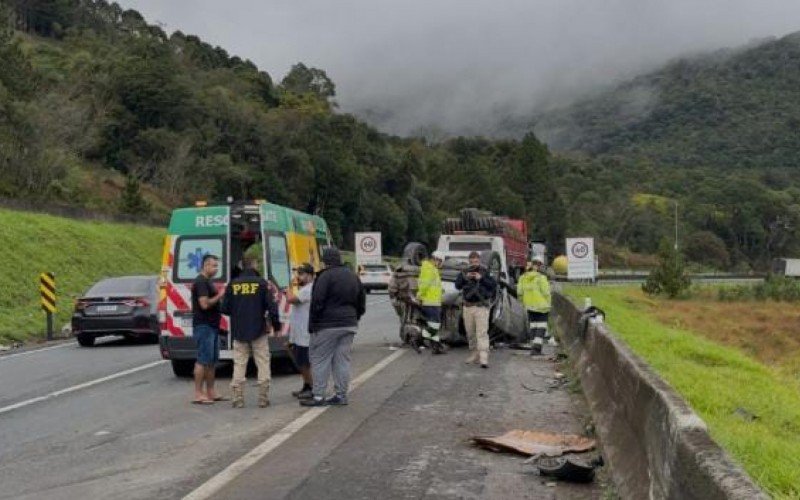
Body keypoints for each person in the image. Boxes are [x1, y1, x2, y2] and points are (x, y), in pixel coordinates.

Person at [301, 247, 366, 407]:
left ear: (325, 261)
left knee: (319, 359)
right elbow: (361, 301)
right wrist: (354, 317)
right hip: (349, 324)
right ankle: (341, 395)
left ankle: (318, 396)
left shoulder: (325, 276)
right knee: (342, 360)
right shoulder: (352, 276)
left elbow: (317, 302)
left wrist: (313, 324)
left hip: (326, 325)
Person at [220, 254, 281, 408]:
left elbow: (225, 308)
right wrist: (276, 326)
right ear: (254, 265)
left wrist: (239, 312)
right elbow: (272, 308)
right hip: (258, 330)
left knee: (239, 364)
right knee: (263, 362)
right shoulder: (262, 284)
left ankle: (238, 398)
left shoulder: (233, 284)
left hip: (239, 330)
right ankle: (263, 397)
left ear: (242, 266)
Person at [191, 254, 225, 405]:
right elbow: (204, 304)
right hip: (204, 326)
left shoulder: (208, 282)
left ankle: (211, 391)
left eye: (217, 266)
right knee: (202, 360)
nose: (216, 269)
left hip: (212, 325)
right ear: (205, 266)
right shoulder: (201, 282)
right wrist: (220, 295)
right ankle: (199, 393)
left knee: (211, 361)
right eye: (213, 266)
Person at [455, 251, 497, 368]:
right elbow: (457, 285)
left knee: (482, 333)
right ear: (469, 261)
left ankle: (484, 357)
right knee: (470, 333)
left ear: (479, 261)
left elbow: (493, 285)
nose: (474, 264)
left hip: (481, 307)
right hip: (468, 307)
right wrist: (465, 278)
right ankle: (474, 353)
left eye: (476, 261)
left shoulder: (485, 271)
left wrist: (481, 278)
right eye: (472, 261)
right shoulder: (464, 271)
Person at [286, 262, 315, 400]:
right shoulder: (305, 288)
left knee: (303, 362)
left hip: (304, 333)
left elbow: (290, 299)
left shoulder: (309, 289)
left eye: (302, 274)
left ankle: (311, 387)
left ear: (310, 275)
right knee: (298, 358)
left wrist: (289, 287)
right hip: (298, 332)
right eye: (298, 274)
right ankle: (306, 385)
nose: (299, 277)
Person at [518, 256, 552, 355]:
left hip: (529, 306)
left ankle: (534, 347)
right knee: (541, 327)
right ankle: (536, 349)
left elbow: (519, 292)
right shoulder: (541, 278)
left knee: (533, 326)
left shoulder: (522, 277)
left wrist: (524, 302)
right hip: (542, 306)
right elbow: (546, 293)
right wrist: (549, 304)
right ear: (540, 265)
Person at [416, 250, 445, 353]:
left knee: (434, 325)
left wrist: (440, 290)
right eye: (440, 262)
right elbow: (424, 284)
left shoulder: (431, 268)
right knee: (434, 325)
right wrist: (419, 296)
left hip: (433, 301)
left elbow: (432, 285)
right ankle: (418, 339)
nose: (440, 264)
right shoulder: (429, 268)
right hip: (430, 302)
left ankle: (436, 347)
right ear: (437, 259)